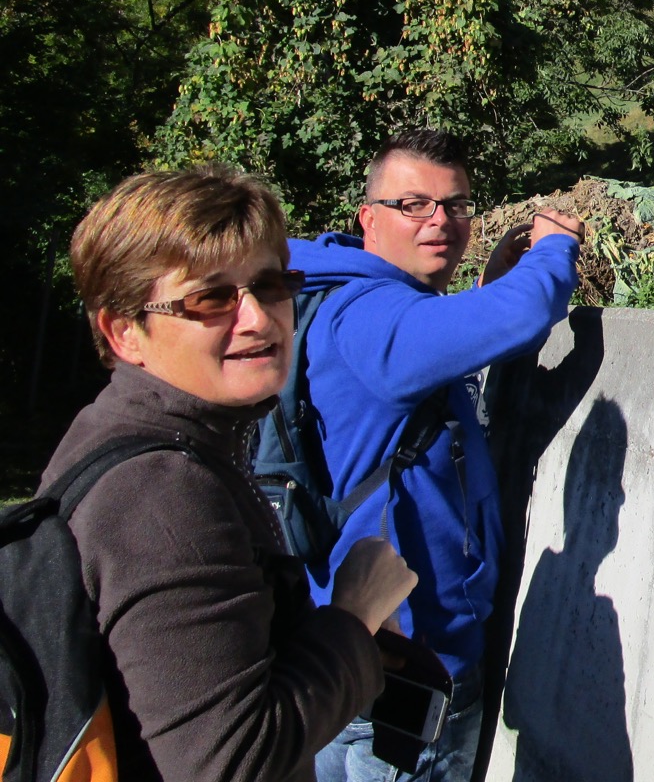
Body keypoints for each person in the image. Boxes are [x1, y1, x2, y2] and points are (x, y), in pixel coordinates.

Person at [42, 166, 419, 782]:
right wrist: (354, 616)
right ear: (123, 332)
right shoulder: (162, 493)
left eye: (270, 286)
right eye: (210, 298)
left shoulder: (128, 436)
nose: (256, 318)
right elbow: (231, 761)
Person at [292, 128, 585, 782]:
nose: (440, 221)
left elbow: (425, 370)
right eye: (413, 205)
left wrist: (485, 290)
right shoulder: (375, 322)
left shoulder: (338, 298)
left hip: (338, 650)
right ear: (368, 217)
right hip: (409, 671)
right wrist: (555, 246)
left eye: (455, 206)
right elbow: (522, 314)